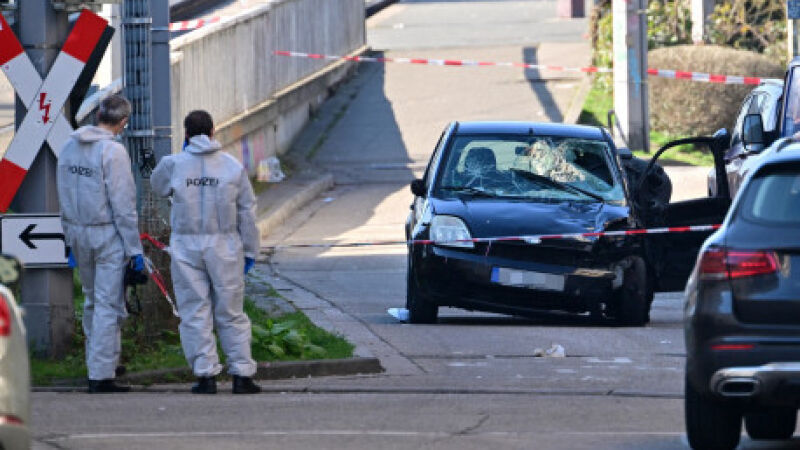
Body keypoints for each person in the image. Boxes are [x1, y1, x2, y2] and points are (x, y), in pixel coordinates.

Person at [150, 110, 261, 394]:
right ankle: (242, 374)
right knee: (231, 311)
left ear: (185, 134)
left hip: (186, 245)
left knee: (194, 310)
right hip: (225, 245)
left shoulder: (174, 164)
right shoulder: (231, 167)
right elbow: (247, 212)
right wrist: (251, 250)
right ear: (213, 131)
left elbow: (158, 187)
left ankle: (205, 375)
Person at [56, 94, 144, 394]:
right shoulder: (113, 152)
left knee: (93, 301)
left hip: (78, 233)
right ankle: (101, 374)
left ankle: (102, 359)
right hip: (106, 235)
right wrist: (135, 251)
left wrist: (68, 238)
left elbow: (63, 193)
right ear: (122, 122)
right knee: (109, 304)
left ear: (97, 117)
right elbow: (124, 206)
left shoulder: (70, 147)